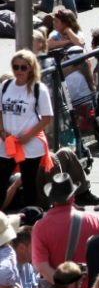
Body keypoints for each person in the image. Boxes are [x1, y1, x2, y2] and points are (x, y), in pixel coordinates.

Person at [0, 49, 54, 211]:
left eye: (23, 67)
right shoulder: (5, 86)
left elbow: (47, 117)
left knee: (29, 183)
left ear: (31, 68)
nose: (19, 71)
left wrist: (28, 136)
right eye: (15, 67)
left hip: (29, 145)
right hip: (7, 143)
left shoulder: (39, 88)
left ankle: (31, 221)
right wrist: (2, 130)